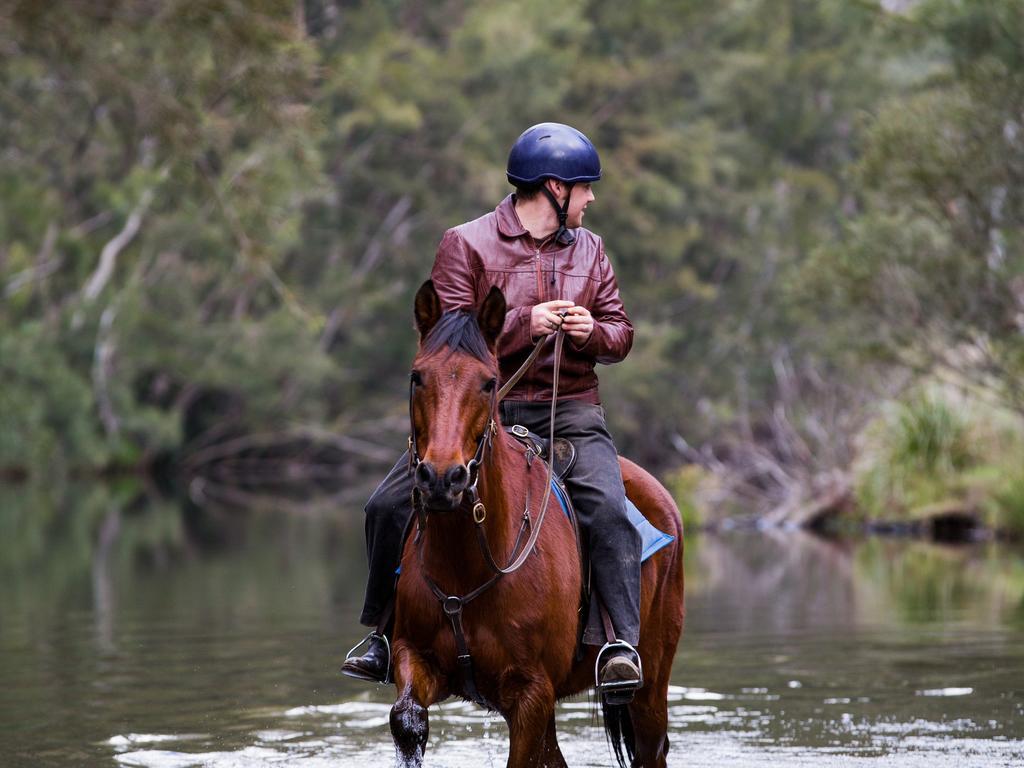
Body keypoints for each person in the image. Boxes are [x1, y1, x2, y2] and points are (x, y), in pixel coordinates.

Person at [342, 122, 643, 691]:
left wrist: (591, 332)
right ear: (555, 188)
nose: (592, 199)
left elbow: (621, 333)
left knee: (608, 510)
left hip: (573, 412)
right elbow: (446, 343)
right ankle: (382, 635)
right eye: (585, 188)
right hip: (480, 413)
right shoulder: (466, 243)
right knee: (384, 507)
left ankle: (618, 646)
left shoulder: (593, 249)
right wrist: (522, 324)